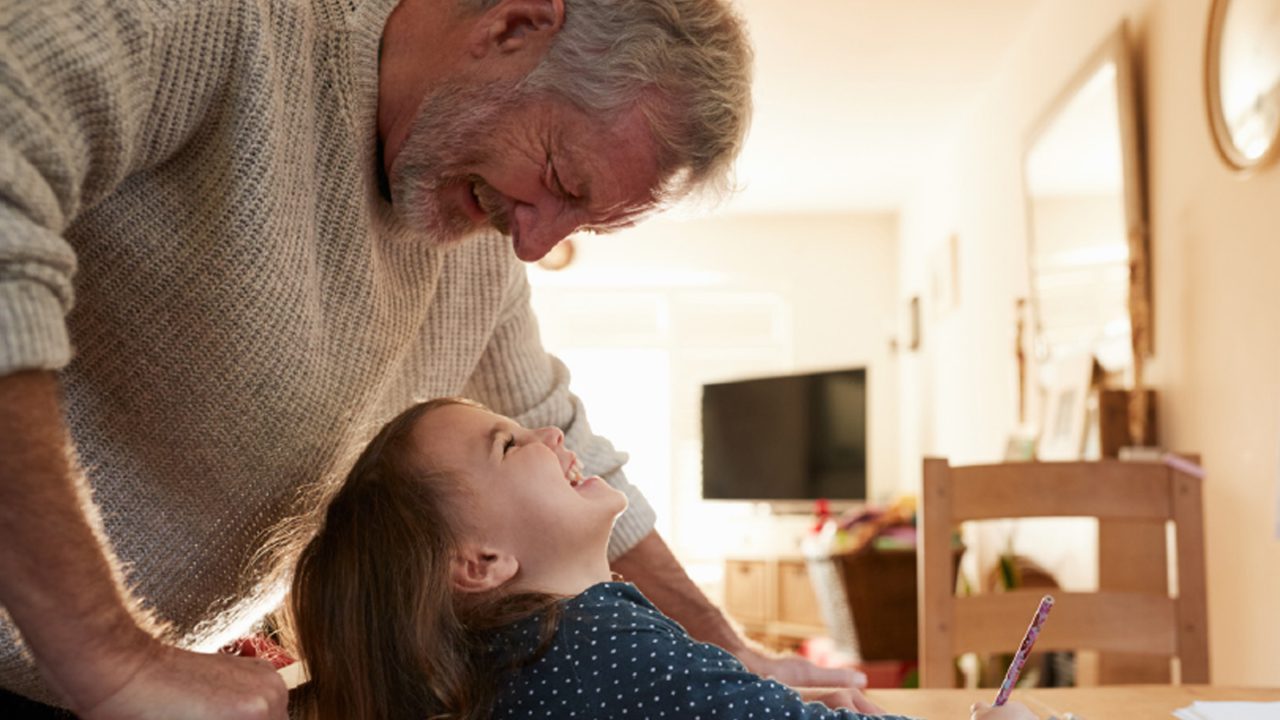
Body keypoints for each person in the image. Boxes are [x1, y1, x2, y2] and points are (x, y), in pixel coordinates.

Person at [0, 0, 870, 717]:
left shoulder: (476, 249)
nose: (534, 245)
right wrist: (108, 657)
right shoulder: (230, 25)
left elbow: (554, 427)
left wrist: (728, 652)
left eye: (586, 222)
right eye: (563, 181)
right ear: (511, 26)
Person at [283, 396, 1038, 720]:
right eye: (509, 444)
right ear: (478, 560)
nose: (553, 437)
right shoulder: (598, 644)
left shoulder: (510, 666)